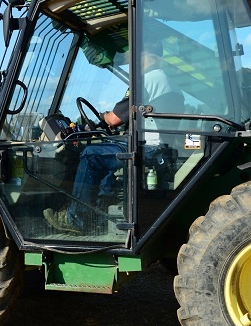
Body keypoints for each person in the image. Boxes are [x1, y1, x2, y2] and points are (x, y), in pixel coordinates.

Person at [43, 41, 182, 234]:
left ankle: (76, 218)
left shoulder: (147, 79)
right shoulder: (166, 80)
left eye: (138, 56)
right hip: (158, 146)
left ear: (149, 56)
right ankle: (99, 211)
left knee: (92, 155)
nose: (134, 62)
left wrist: (102, 117)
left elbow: (115, 119)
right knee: (107, 147)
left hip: (149, 147)